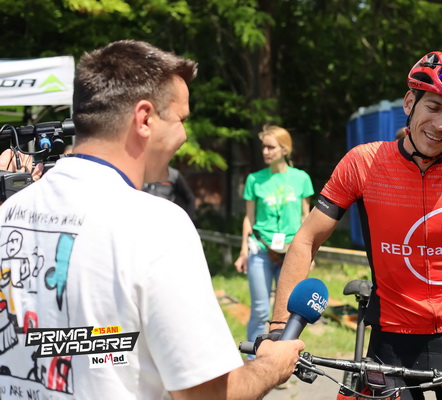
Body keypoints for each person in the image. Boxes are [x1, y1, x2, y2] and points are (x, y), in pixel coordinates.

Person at [0, 40, 303, 400]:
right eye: (181, 120)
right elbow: (206, 395)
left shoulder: (9, 211)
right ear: (144, 119)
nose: (185, 136)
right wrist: (273, 363)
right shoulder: (157, 225)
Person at [271, 49, 442, 400]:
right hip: (391, 340)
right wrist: (280, 328)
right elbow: (307, 240)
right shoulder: (363, 163)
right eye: (433, 107)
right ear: (409, 102)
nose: (441, 124)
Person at [234, 125, 313, 352]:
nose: (265, 152)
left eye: (271, 147)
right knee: (260, 309)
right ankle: (254, 358)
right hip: (260, 249)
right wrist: (243, 252)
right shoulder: (254, 179)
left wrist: (310, 254)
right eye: (264, 147)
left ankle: (281, 356)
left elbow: (306, 218)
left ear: (284, 149)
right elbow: (249, 218)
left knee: (287, 312)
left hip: (291, 252)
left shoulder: (301, 179)